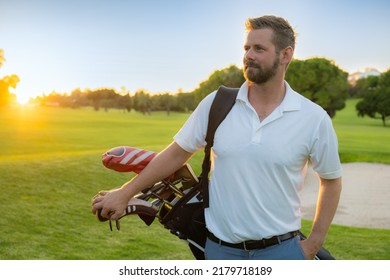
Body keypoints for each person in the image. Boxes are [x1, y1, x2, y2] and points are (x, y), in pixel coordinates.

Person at [92, 15, 342, 260]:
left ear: (285, 55)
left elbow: (330, 181)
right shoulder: (217, 104)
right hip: (221, 251)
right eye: (246, 48)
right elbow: (176, 153)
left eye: (259, 48)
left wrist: (312, 245)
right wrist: (125, 193)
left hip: (282, 252)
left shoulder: (313, 118)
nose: (248, 55)